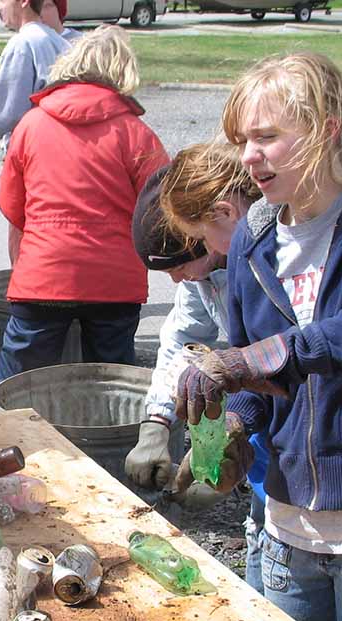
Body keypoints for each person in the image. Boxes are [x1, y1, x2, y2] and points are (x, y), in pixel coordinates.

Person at [174, 52, 342, 621]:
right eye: (243, 141)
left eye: (265, 137)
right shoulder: (254, 240)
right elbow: (258, 376)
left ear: (326, 129)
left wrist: (262, 357)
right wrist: (235, 425)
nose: (248, 157)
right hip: (287, 533)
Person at [125, 145, 269, 592]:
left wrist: (236, 431)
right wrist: (156, 422)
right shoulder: (204, 272)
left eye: (180, 264)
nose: (174, 280)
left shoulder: (260, 258)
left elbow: (278, 359)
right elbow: (182, 341)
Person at [0, 26, 167, 384]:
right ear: (122, 73)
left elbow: (14, 210)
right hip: (114, 282)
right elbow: (160, 209)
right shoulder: (136, 133)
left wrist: (21, 270)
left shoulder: (31, 125)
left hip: (43, 275)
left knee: (18, 386)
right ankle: (114, 440)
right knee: (113, 385)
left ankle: (8, 438)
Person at [0, 0, 69, 166]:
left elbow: (8, 108)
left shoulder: (22, 45)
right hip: (61, 148)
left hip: (33, 153)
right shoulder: (59, 41)